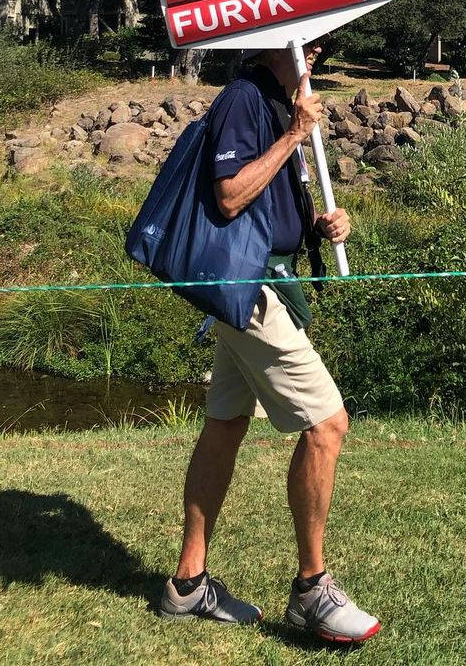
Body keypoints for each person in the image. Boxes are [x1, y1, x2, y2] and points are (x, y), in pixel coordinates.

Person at [158, 41, 381, 645]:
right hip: (251, 288)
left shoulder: (281, 101)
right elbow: (229, 194)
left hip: (266, 283)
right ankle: (312, 589)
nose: (314, 50)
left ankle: (187, 584)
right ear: (272, 42)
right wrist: (292, 135)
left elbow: (273, 207)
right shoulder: (245, 98)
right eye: (306, 42)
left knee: (225, 423)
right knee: (327, 424)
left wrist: (322, 225)